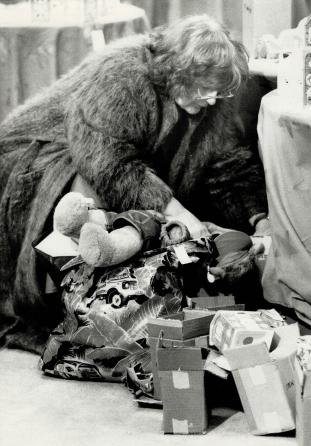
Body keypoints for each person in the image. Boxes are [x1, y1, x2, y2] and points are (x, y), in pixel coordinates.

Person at [0, 15, 268, 352]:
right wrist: (176, 209)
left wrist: (262, 220)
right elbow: (108, 162)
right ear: (177, 71)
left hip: (117, 163)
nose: (212, 100)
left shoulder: (209, 98)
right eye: (204, 88)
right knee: (86, 196)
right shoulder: (121, 73)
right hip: (41, 155)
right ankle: (78, 303)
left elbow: (229, 165)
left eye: (219, 91)